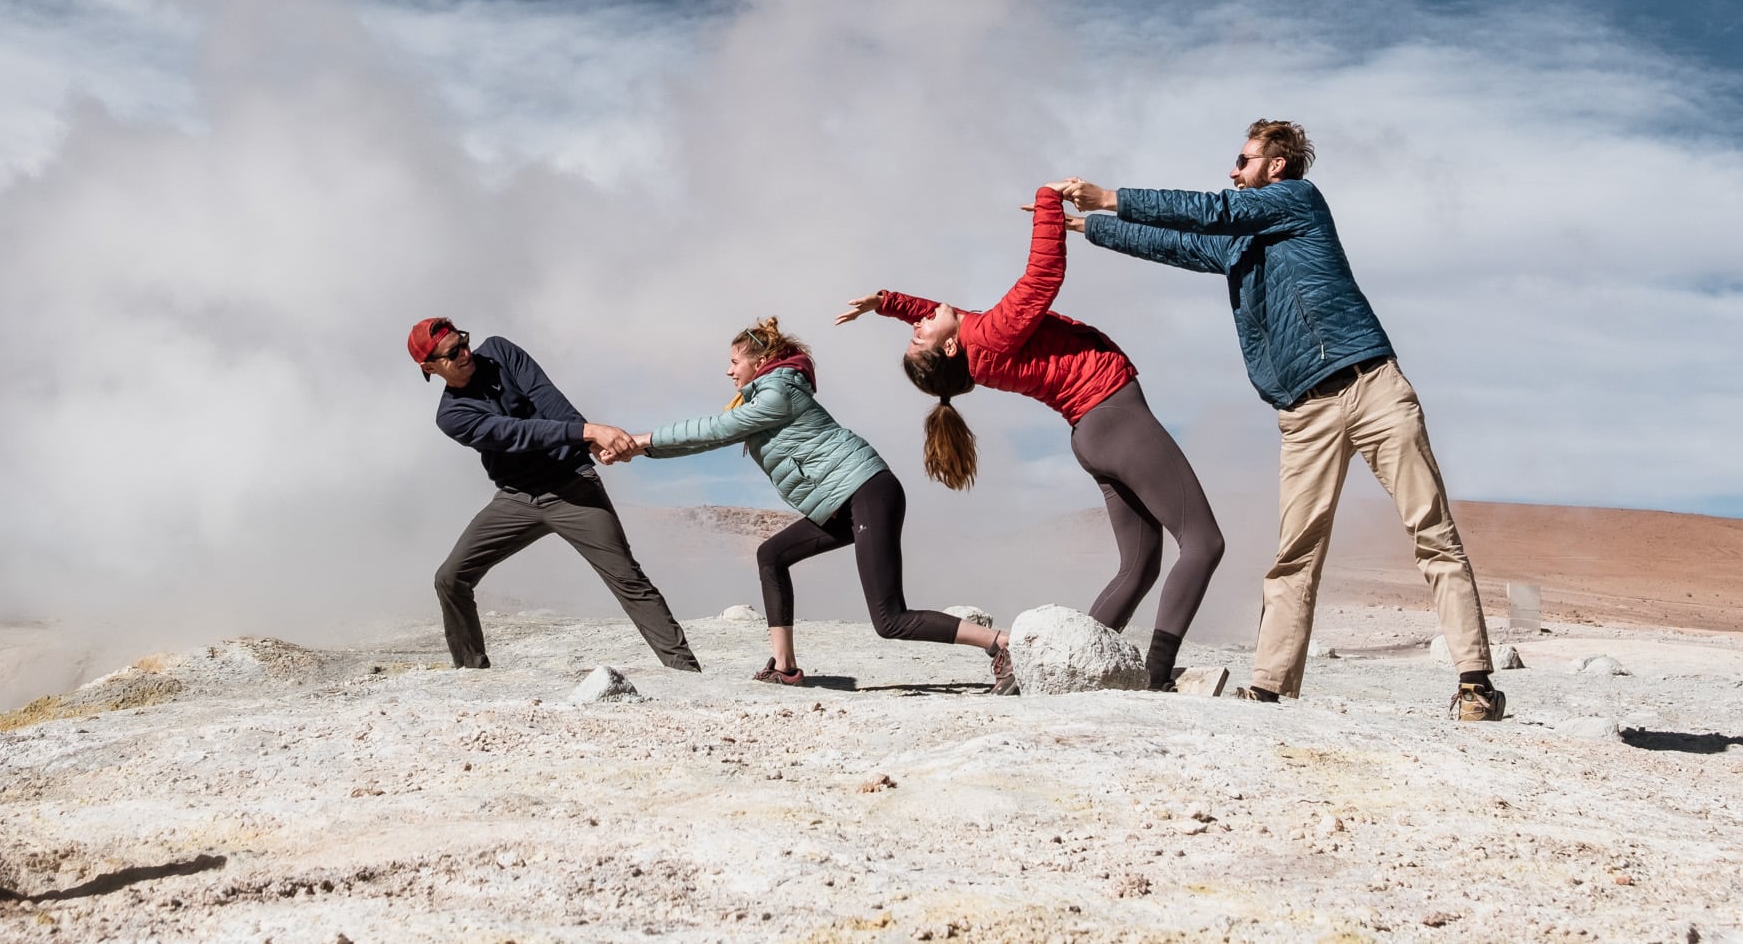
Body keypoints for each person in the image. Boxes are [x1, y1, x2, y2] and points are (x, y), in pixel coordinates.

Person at [1058, 120, 1504, 721]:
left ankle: (1475, 683)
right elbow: (1178, 243)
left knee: (1432, 532)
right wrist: (1093, 229)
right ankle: (1269, 689)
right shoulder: (1239, 242)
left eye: (1242, 160)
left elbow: (1209, 212)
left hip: (1370, 386)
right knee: (1295, 553)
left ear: (1275, 167)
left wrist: (1113, 196)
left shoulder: (1300, 201)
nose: (1232, 171)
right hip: (1304, 414)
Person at [838, 183, 1225, 694]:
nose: (919, 319)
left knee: (1139, 564)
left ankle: (1063, 669)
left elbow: (936, 314)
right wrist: (1047, 200)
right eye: (917, 332)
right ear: (951, 348)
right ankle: (1155, 674)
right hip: (1114, 417)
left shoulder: (970, 341)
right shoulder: (990, 335)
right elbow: (1043, 276)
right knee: (1203, 543)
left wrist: (887, 302)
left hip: (1092, 433)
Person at [611, 317, 1015, 692]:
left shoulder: (778, 393)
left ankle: (1001, 644)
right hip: (842, 502)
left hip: (866, 490)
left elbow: (714, 430)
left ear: (761, 361)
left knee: (890, 619)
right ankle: (785, 667)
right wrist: (642, 451)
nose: (729, 371)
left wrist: (641, 440)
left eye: (735, 361)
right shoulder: (765, 398)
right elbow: (709, 438)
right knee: (772, 554)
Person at [410, 317, 700, 673]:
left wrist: (591, 441)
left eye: (464, 341)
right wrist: (587, 431)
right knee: (450, 578)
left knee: (629, 580)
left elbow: (546, 396)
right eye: (453, 353)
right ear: (429, 367)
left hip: (572, 487)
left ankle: (686, 674)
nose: (466, 353)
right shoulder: (451, 415)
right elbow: (514, 433)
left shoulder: (500, 351)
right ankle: (472, 674)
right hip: (516, 499)